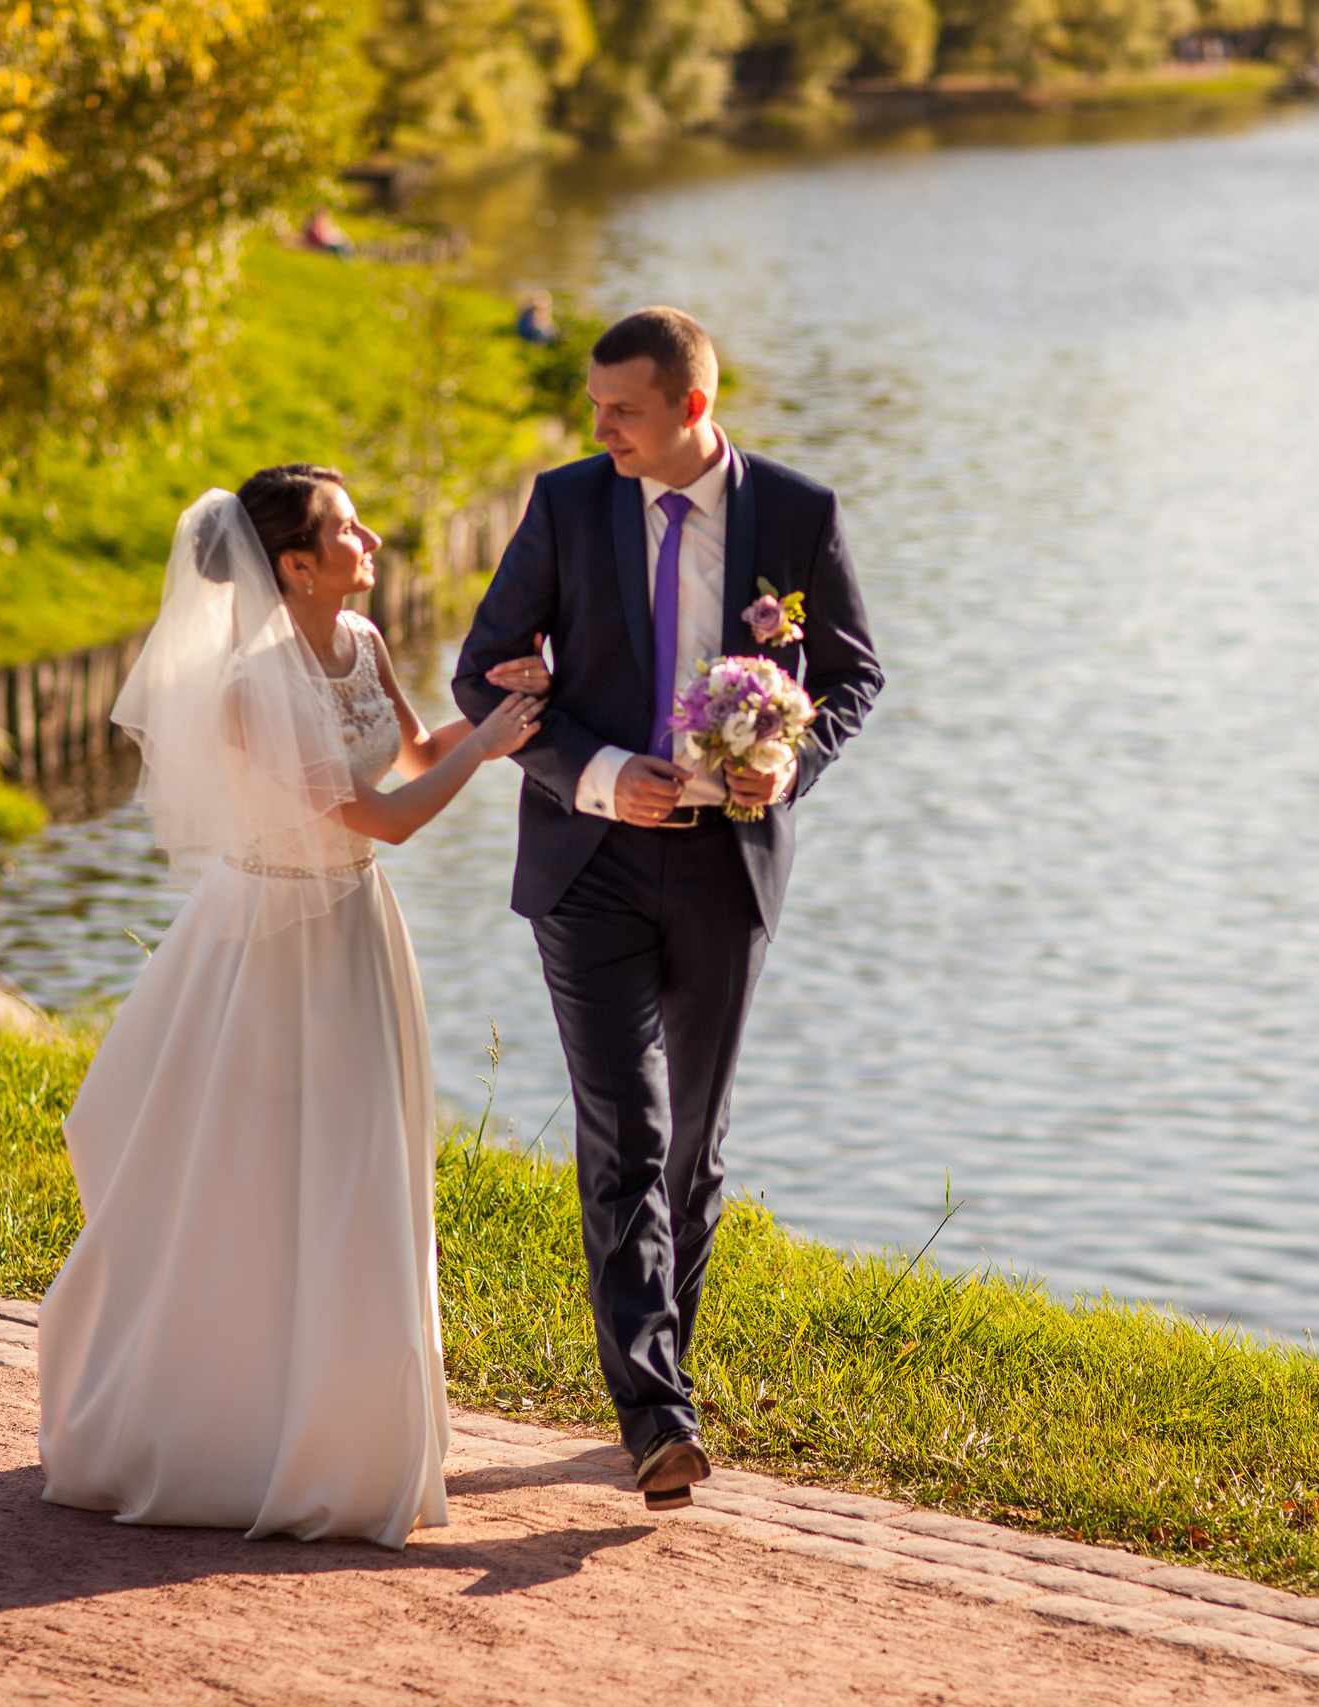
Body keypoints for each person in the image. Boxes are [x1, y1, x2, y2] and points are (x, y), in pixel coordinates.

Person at [38, 465, 549, 1547]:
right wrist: (492, 751)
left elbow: (415, 755)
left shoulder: (359, 642)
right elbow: (384, 816)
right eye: (344, 526)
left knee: (364, 1168)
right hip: (271, 950)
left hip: (356, 936)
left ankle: (348, 1432)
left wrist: (505, 716)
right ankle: (231, 1432)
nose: (371, 535)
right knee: (261, 1175)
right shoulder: (247, 690)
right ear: (295, 566)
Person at [453, 308, 882, 1510]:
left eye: (623, 409)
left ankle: (664, 1372)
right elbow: (479, 668)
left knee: (694, 1145)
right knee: (626, 1132)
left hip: (727, 864)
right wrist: (596, 772)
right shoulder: (565, 504)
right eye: (597, 408)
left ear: (692, 406)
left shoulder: (798, 514)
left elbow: (851, 675)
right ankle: (655, 1413)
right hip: (587, 867)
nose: (602, 429)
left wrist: (793, 761)